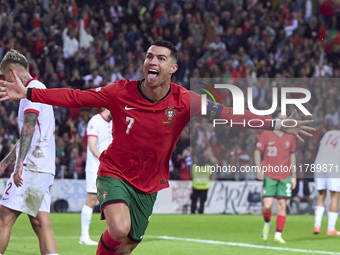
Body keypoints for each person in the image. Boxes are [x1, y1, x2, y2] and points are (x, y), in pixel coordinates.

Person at [0, 40, 314, 255]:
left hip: (149, 184)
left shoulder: (184, 100)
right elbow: (75, 97)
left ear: (172, 68)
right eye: (149, 56)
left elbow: (229, 115)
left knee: (126, 245)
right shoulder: (120, 92)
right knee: (119, 228)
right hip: (115, 173)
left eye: (160, 58)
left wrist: (273, 123)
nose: (152, 61)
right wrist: (28, 93)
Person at [0, 49, 58, 255]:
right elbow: (29, 135)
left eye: (5, 76)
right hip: (42, 165)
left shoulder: (32, 91)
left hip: (32, 166)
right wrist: (5, 163)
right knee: (41, 223)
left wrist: (19, 165)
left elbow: (29, 128)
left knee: (4, 215)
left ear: (13, 72)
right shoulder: (37, 89)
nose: (5, 82)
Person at [255, 112, 297, 244]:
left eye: (285, 119)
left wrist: (294, 176)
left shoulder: (291, 137)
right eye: (280, 119)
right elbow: (257, 151)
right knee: (267, 206)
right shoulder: (266, 134)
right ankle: (267, 223)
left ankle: (278, 234)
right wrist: (258, 169)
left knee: (282, 205)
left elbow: (292, 155)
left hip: (284, 175)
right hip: (269, 174)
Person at [80, 108, 112, 245]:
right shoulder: (95, 120)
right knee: (92, 200)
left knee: (112, 202)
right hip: (95, 167)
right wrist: (103, 159)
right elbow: (92, 145)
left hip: (110, 168)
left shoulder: (114, 122)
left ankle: (113, 237)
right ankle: (84, 236)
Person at [313, 129, 340, 235]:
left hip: (319, 163)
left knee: (321, 194)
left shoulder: (329, 133)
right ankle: (331, 228)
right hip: (333, 164)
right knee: (335, 196)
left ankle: (317, 225)